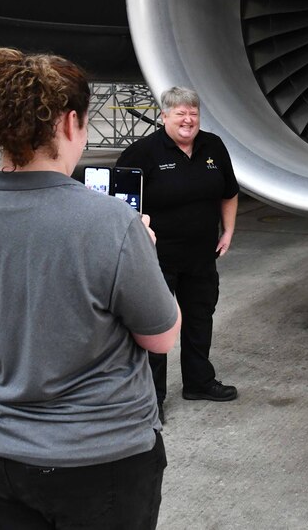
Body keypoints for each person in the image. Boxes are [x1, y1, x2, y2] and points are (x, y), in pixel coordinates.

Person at [0, 47, 181, 529]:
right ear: (69, 124)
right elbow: (161, 338)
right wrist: (143, 252)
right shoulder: (113, 224)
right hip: (94, 458)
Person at [116, 86, 239, 415]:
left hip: (201, 255)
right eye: (180, 113)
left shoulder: (212, 146)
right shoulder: (143, 153)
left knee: (200, 318)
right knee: (157, 326)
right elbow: (119, 202)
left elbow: (229, 191)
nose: (188, 119)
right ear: (164, 116)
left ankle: (199, 382)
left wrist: (228, 230)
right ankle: (152, 398)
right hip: (157, 258)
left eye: (193, 113)